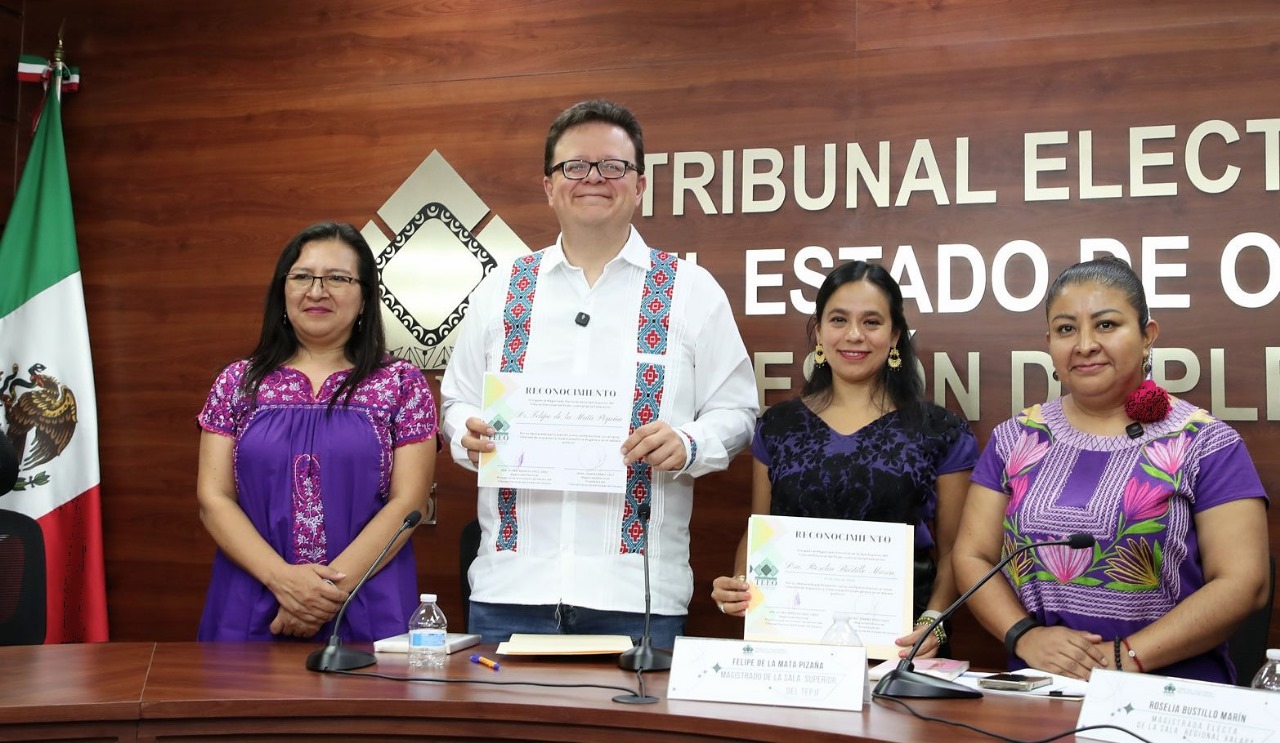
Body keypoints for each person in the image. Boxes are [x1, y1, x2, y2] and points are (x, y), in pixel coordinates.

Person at [440, 99, 759, 647]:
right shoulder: (501, 289)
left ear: (639, 185)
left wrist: (688, 442)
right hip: (510, 590)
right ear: (548, 186)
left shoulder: (690, 290)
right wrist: (466, 433)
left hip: (636, 596)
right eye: (574, 166)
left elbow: (738, 412)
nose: (593, 177)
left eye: (612, 166)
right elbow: (457, 402)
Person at [952, 256, 1270, 683]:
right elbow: (972, 556)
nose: (1085, 344)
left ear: (1147, 336)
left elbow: (1244, 582)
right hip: (1044, 686)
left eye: (1106, 325)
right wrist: (1025, 636)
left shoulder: (1206, 442)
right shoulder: (1015, 438)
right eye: (1066, 329)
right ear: (1049, 343)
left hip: (1169, 694)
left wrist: (1124, 657)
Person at [709, 261, 977, 659]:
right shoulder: (778, 426)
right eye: (839, 320)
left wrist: (933, 621)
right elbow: (761, 530)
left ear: (895, 335)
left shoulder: (941, 431)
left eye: (871, 322)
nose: (854, 335)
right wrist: (738, 584)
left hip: (901, 649)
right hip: (791, 648)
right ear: (819, 331)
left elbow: (956, 551)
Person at [196, 221, 437, 642]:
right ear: (282, 292)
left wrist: (320, 595)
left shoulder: (401, 383)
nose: (317, 291)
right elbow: (213, 499)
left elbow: (409, 503)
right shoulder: (237, 382)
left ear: (365, 298)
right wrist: (284, 583)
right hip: (253, 597)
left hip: (367, 600)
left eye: (338, 278)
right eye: (302, 276)